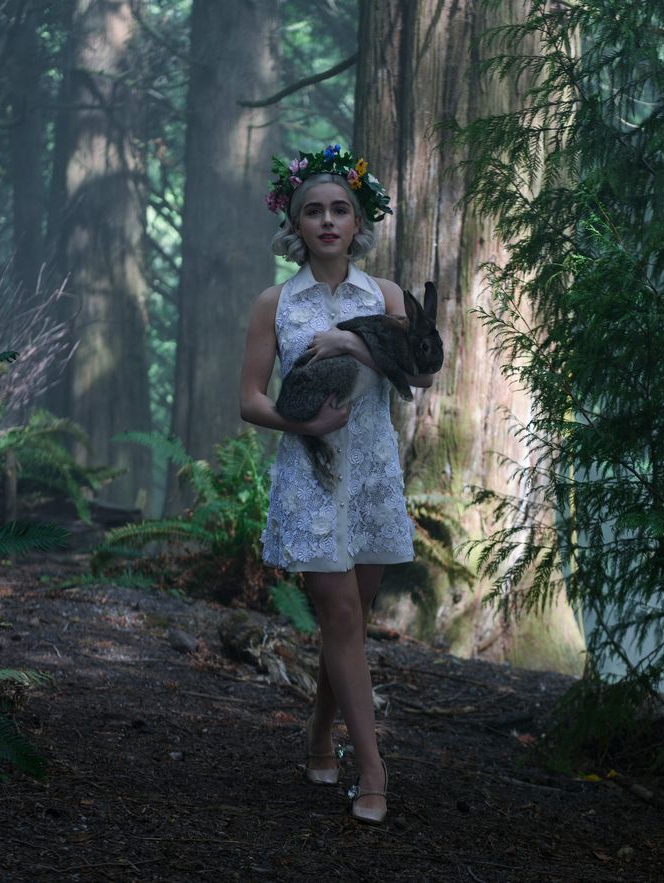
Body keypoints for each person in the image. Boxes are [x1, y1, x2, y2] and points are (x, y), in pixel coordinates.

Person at [239, 145, 434, 825]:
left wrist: (355, 344)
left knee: (347, 624)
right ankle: (373, 769)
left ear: (357, 222)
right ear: (296, 224)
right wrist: (307, 423)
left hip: (374, 475)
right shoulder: (276, 302)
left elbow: (422, 370)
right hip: (310, 476)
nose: (326, 220)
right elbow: (249, 401)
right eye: (313, 211)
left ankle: (319, 735)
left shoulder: (383, 297)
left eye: (338, 210)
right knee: (343, 618)